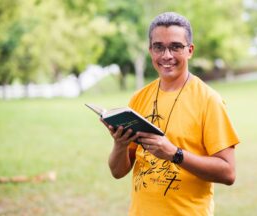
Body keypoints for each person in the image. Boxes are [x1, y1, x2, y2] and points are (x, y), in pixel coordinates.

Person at [102, 12, 239, 216]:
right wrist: (120, 145)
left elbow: (228, 173)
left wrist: (175, 154)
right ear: (150, 51)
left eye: (175, 46)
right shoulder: (139, 98)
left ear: (190, 50)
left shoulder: (209, 100)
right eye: (159, 47)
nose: (166, 55)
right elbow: (118, 172)